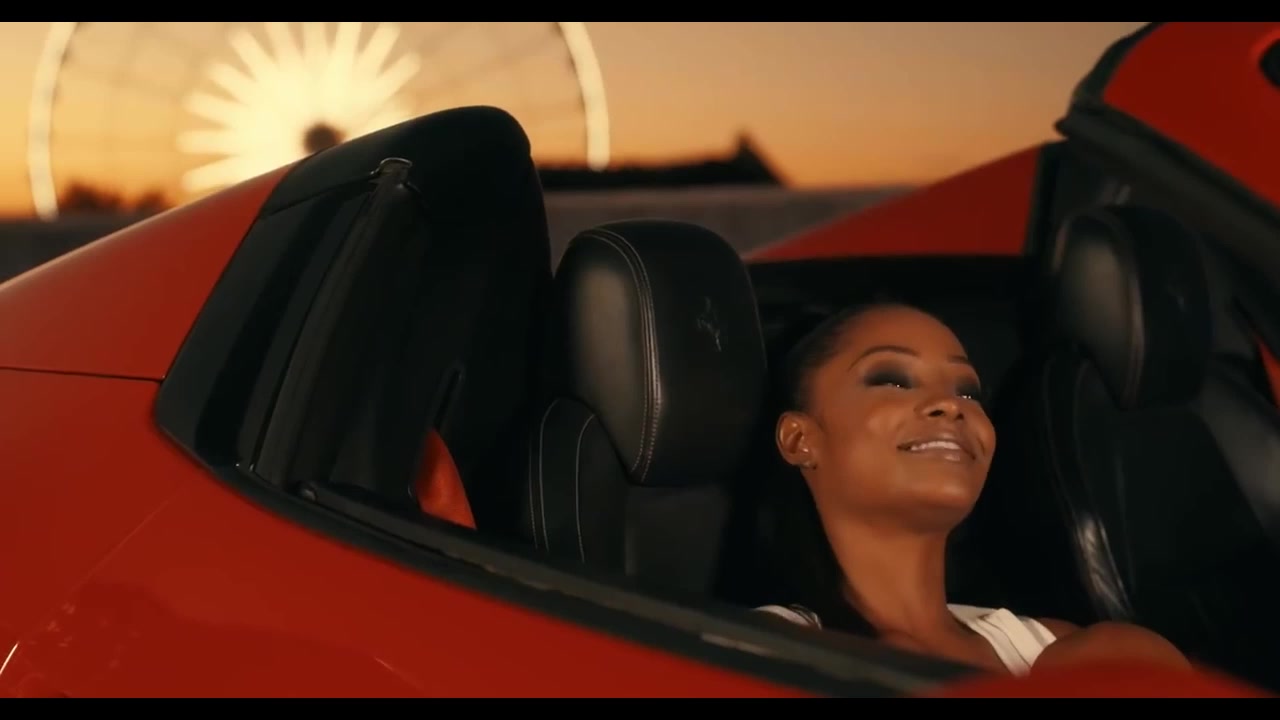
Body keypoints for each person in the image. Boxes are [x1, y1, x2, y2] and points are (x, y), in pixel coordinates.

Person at [754, 301, 1188, 677]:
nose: (950, 405)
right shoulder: (755, 651)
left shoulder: (1072, 650)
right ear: (799, 439)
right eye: (893, 380)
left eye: (967, 392)